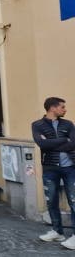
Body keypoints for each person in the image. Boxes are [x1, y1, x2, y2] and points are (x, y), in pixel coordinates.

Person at [32, 97, 75, 248]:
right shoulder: (37, 125)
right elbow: (41, 143)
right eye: (62, 107)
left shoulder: (68, 124)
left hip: (70, 167)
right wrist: (64, 140)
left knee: (74, 201)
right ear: (52, 108)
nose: (65, 109)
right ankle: (57, 232)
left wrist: (50, 144)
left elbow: (73, 144)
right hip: (50, 168)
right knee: (52, 200)